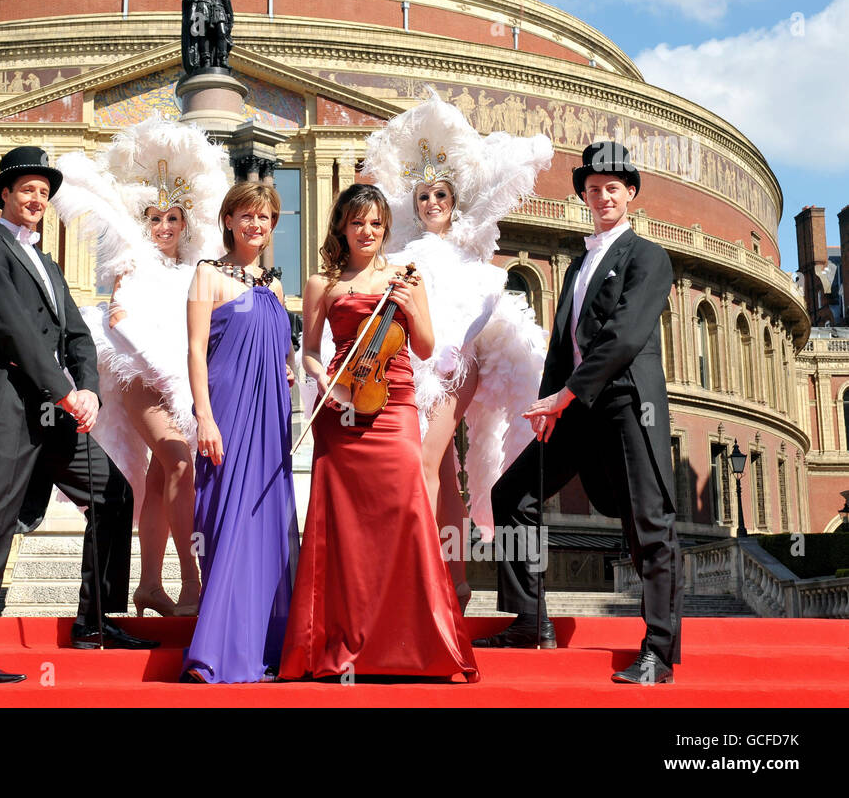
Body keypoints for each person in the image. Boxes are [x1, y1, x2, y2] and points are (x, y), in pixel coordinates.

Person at [0, 145, 158, 686]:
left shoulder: (48, 261)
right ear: (6, 195)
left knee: (114, 493)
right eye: (27, 189)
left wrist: (88, 390)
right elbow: (13, 329)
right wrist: (66, 390)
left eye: (43, 191)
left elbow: (77, 335)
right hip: (9, 402)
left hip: (55, 408)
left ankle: (97, 623)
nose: (36, 199)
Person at [473, 141, 683, 686]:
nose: (603, 195)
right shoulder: (580, 264)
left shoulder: (647, 256)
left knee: (648, 525)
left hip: (624, 404)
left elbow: (624, 336)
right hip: (571, 406)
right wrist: (549, 402)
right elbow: (563, 345)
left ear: (630, 194)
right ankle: (530, 622)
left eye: (613, 187)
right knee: (510, 495)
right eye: (593, 188)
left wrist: (567, 394)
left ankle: (658, 653)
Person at [280, 184, 479, 682]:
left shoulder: (405, 279)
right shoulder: (322, 283)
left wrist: (411, 308)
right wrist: (321, 375)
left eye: (375, 223)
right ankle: (340, 646)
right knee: (343, 529)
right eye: (356, 223)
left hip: (396, 408)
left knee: (409, 515)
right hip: (342, 409)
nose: (366, 232)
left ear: (386, 227)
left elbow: (428, 348)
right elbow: (307, 349)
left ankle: (415, 644)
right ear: (341, 227)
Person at [364, 89, 552, 611]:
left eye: (440, 197)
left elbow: (487, 299)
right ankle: (456, 580)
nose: (430, 205)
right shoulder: (400, 253)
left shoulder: (470, 251)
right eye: (423, 197)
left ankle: (416, 571)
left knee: (423, 459)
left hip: (454, 365)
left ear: (454, 203)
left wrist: (455, 349)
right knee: (443, 469)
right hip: (411, 366)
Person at [51, 117, 227, 618]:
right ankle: (193, 582)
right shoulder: (131, 265)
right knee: (179, 462)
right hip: (136, 375)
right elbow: (120, 323)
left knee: (154, 481)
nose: (165, 228)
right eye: (155, 219)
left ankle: (149, 586)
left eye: (173, 219)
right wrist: (166, 375)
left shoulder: (198, 271)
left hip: (181, 381)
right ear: (143, 224)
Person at [182, 182, 298, 683]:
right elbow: (194, 350)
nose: (257, 225)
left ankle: (266, 646)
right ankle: (218, 650)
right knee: (226, 520)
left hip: (271, 417)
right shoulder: (207, 274)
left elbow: (285, 355)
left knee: (267, 524)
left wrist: (288, 368)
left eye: (266, 218)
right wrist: (204, 417)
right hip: (227, 412)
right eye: (247, 216)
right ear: (229, 220)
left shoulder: (273, 286)